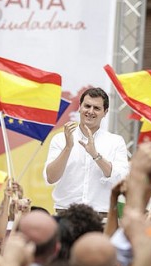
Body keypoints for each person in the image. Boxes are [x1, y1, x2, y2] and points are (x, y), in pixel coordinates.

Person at [44, 88, 129, 216]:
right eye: (87, 106)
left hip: (101, 214)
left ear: (105, 112)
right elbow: (51, 178)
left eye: (96, 108)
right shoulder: (60, 138)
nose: (90, 111)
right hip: (66, 213)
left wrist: (95, 155)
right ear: (79, 107)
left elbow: (120, 179)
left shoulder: (115, 141)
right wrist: (68, 147)